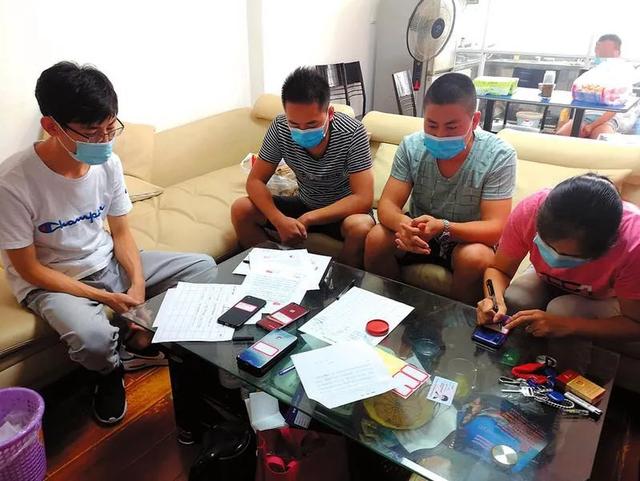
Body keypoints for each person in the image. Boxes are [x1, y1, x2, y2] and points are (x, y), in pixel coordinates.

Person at [0, 62, 217, 425]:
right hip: (52, 281)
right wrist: (109, 299)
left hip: (106, 261)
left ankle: (141, 344)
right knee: (93, 340)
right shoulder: (13, 182)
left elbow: (121, 233)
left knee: (203, 268)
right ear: (51, 126)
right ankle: (108, 373)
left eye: (110, 128)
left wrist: (137, 286)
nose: (104, 141)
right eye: (91, 133)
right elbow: (29, 269)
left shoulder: (109, 163)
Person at [365, 73, 516, 304]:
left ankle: (452, 319)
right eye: (431, 125)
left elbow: (495, 227)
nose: (439, 135)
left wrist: (443, 227)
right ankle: (393, 307)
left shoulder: (499, 155)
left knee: (476, 257)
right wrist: (405, 226)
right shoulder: (412, 146)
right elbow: (387, 205)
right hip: (418, 230)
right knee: (376, 238)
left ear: (475, 120)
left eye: (451, 127)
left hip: (465, 238)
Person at [231, 67, 374, 267]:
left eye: (312, 124)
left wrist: (309, 218)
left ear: (330, 113)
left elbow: (363, 198)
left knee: (361, 227)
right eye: (295, 124)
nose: (303, 131)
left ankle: (338, 278)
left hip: (341, 211)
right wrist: (279, 220)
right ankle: (273, 270)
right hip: (306, 202)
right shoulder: (280, 127)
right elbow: (255, 181)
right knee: (241, 209)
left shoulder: (352, 132)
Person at [476, 174, 640, 341]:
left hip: (609, 297)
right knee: (517, 297)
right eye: (546, 246)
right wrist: (493, 299)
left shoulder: (634, 244)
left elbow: (634, 323)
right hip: (546, 279)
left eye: (569, 256)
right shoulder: (531, 210)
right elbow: (499, 269)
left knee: (563, 309)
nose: (555, 258)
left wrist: (569, 325)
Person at [556, 34, 622, 139]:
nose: (601, 53)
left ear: (617, 52)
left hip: (607, 119)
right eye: (599, 49)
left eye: (606, 50)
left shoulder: (622, 74)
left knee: (601, 141)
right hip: (584, 116)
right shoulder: (590, 75)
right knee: (560, 138)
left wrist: (592, 126)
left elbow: (615, 109)